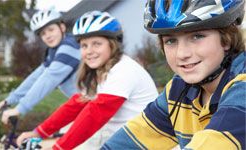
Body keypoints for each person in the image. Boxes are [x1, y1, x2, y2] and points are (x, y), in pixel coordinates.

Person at [102, 0, 246, 149]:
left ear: (227, 39)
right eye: (171, 41)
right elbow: (130, 140)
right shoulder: (178, 90)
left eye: (197, 36)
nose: (182, 53)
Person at [16, 11, 158, 149]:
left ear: (112, 44)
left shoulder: (123, 70)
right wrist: (38, 132)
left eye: (96, 44)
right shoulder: (100, 72)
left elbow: (95, 114)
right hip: (124, 140)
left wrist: (58, 147)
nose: (89, 51)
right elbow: (75, 105)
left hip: (147, 143)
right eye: (84, 45)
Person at [0, 9, 81, 125]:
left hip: (101, 109)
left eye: (51, 30)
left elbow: (49, 79)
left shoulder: (69, 48)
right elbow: (36, 77)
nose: (47, 36)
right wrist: (10, 99)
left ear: (62, 27)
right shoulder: (54, 51)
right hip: (85, 105)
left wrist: (20, 108)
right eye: (43, 33)